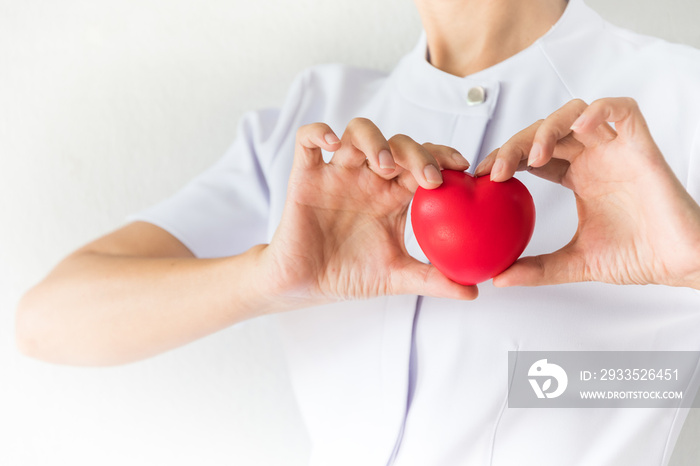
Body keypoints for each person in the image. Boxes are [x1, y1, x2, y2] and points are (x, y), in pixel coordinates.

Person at [15, 0, 700, 464]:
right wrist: (268, 276)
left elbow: (660, 387)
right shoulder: (316, 125)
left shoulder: (675, 97)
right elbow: (46, 321)